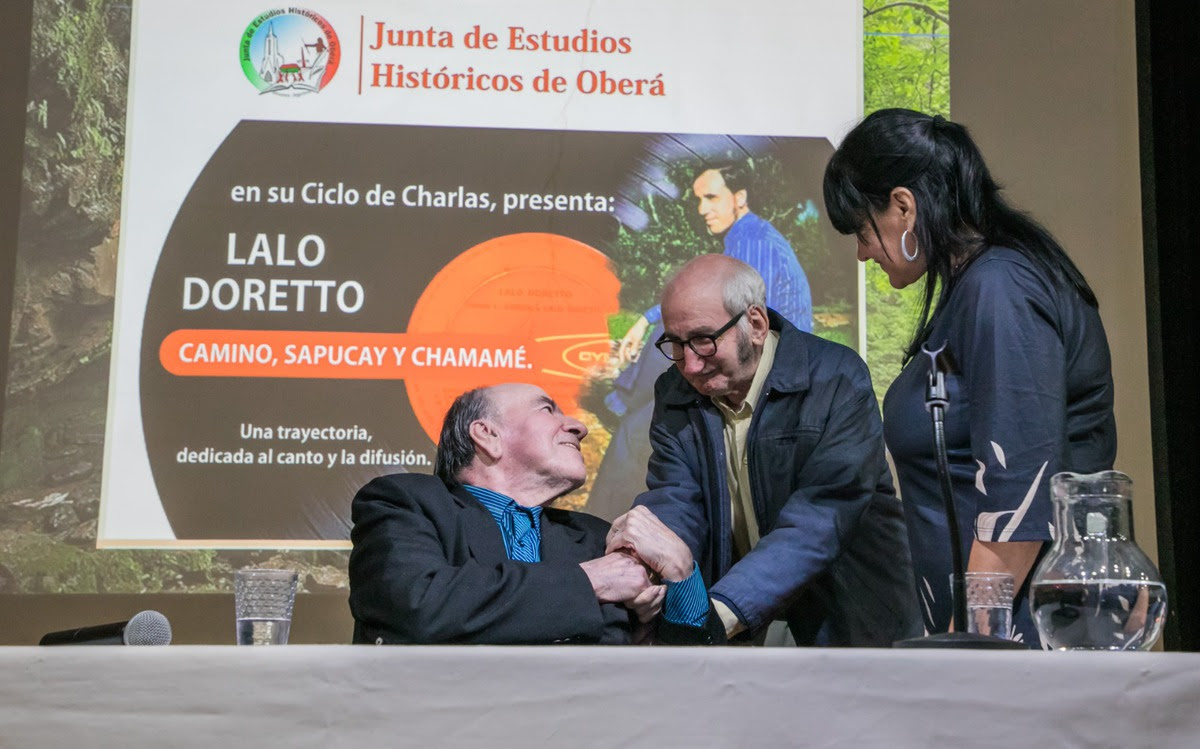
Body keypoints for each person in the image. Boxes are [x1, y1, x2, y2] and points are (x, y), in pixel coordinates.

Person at [822, 108, 1116, 647]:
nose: (862, 253)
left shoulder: (999, 288)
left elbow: (1018, 501)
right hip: (997, 639)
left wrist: (969, 650)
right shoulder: (975, 286)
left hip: (1022, 642)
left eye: (862, 231)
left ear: (903, 206)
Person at [619, 254, 921, 645]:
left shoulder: (836, 378)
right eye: (675, 344)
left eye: (703, 341)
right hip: (738, 622)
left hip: (849, 622)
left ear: (756, 325)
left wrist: (717, 614)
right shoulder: (674, 391)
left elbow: (820, 518)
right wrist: (647, 568)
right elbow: (677, 498)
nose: (690, 365)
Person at [348, 383, 725, 645]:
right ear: (487, 435)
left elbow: (697, 675)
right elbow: (418, 606)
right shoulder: (405, 503)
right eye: (547, 409)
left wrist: (682, 574)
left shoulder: (600, 539)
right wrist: (590, 582)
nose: (579, 427)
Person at [589, 163, 814, 520]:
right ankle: (625, 402)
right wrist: (645, 319)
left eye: (711, 197)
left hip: (767, 382)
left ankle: (599, 525)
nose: (702, 209)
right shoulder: (746, 237)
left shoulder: (753, 242)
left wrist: (650, 324)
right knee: (651, 402)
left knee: (638, 430)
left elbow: (738, 319)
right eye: (698, 200)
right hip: (749, 368)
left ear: (739, 197)